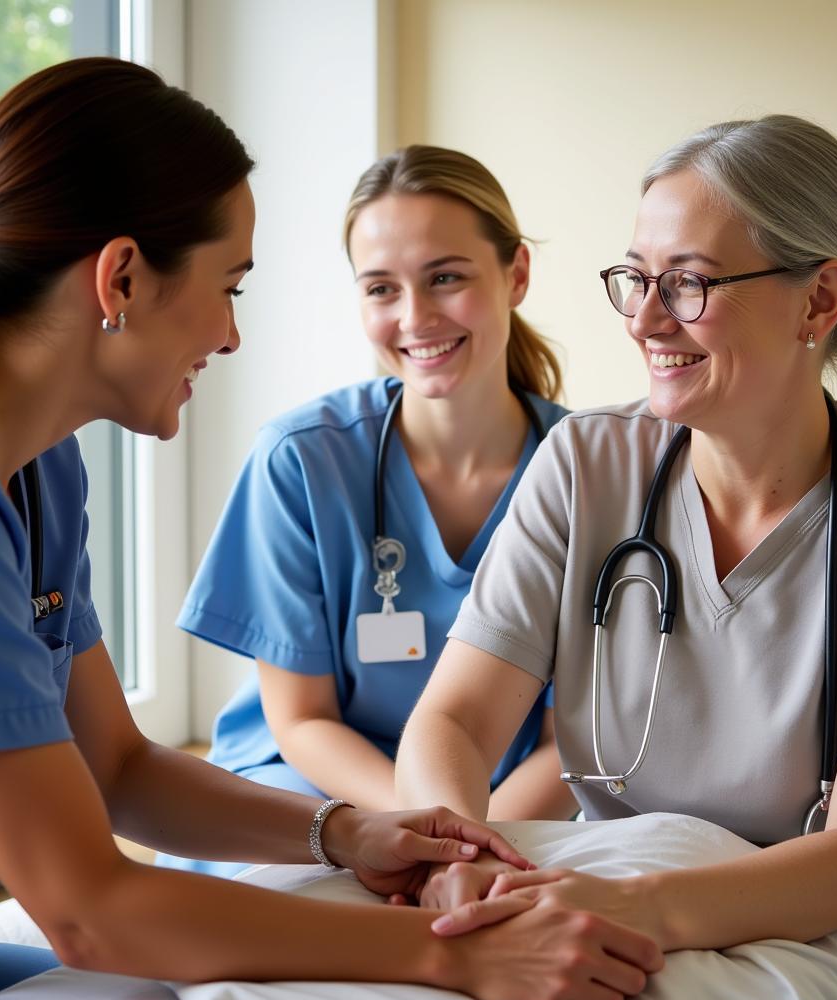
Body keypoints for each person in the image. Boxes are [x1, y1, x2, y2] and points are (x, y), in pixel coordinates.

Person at [0, 58, 662, 1000]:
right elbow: (85, 910)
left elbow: (114, 766)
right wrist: (455, 961)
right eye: (228, 285)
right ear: (119, 278)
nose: (233, 335)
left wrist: (348, 832)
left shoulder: (35, 466)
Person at [395, 115, 837, 957]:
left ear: (821, 298)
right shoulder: (587, 464)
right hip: (593, 891)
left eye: (688, 284)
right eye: (635, 279)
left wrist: (630, 907)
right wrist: (458, 857)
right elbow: (458, 723)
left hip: (801, 928)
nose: (645, 321)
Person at [157, 145, 578, 882]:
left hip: (513, 803)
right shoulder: (302, 458)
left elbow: (569, 739)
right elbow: (301, 720)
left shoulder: (590, 473)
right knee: (293, 923)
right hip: (321, 791)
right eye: (381, 288)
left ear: (516, 275)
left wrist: (474, 845)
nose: (415, 317)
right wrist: (429, 835)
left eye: (446, 278)